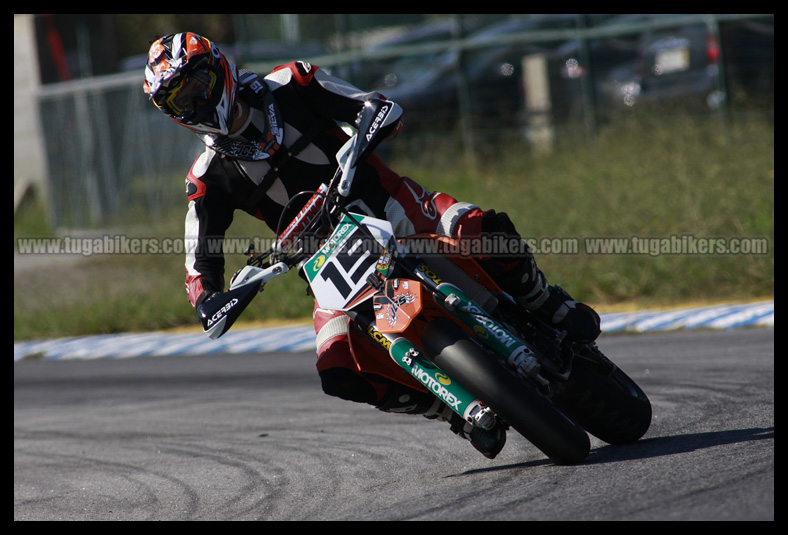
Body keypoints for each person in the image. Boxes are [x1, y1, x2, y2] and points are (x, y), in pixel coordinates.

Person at [144, 32, 600, 459]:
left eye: (197, 85)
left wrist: (372, 121)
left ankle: (545, 301)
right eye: (179, 101)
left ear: (219, 68)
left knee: (474, 226)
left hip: (394, 208)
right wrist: (212, 299)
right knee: (336, 366)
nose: (196, 103)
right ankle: (447, 408)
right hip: (327, 260)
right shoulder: (206, 177)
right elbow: (198, 263)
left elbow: (374, 105)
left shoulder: (291, 80)